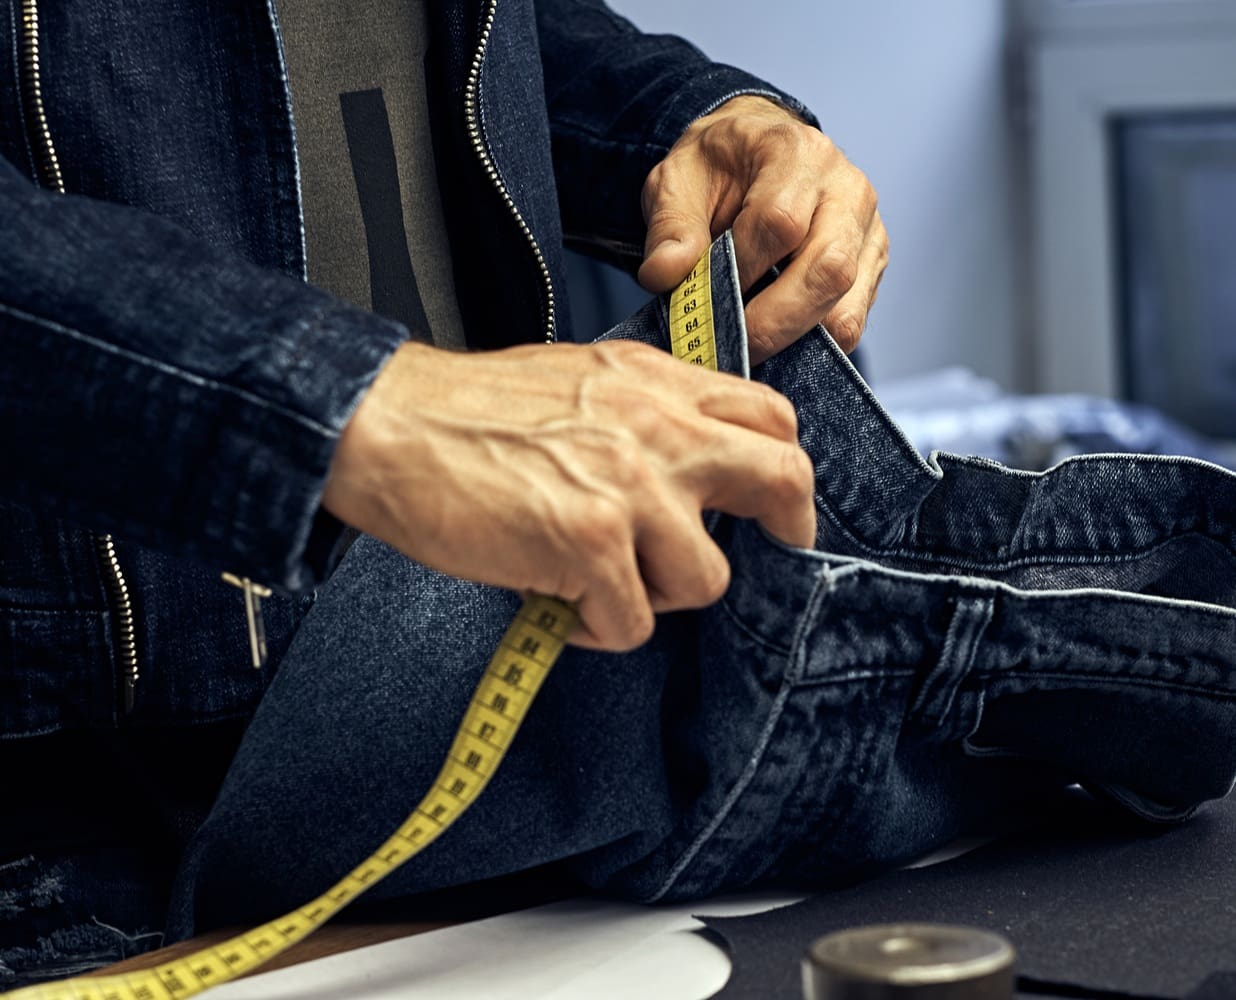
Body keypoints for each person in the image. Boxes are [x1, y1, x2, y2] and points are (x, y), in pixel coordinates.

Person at [0, 0, 885, 984]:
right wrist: (350, 400)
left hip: (492, 717)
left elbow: (458, 32)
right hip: (71, 823)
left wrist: (692, 119)